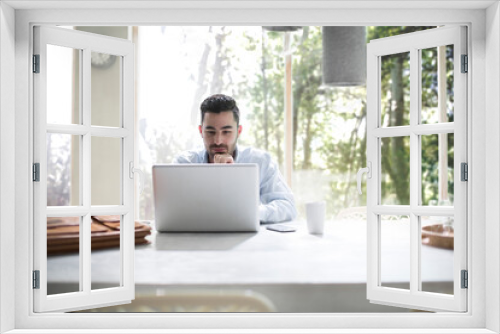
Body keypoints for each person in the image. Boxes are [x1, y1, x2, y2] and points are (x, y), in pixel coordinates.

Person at [174, 94, 297, 223]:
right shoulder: (185, 163)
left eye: (226, 132)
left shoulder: (260, 161)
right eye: (210, 132)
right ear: (201, 131)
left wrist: (250, 213)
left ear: (239, 131)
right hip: (195, 239)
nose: (218, 141)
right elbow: (171, 209)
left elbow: (288, 206)